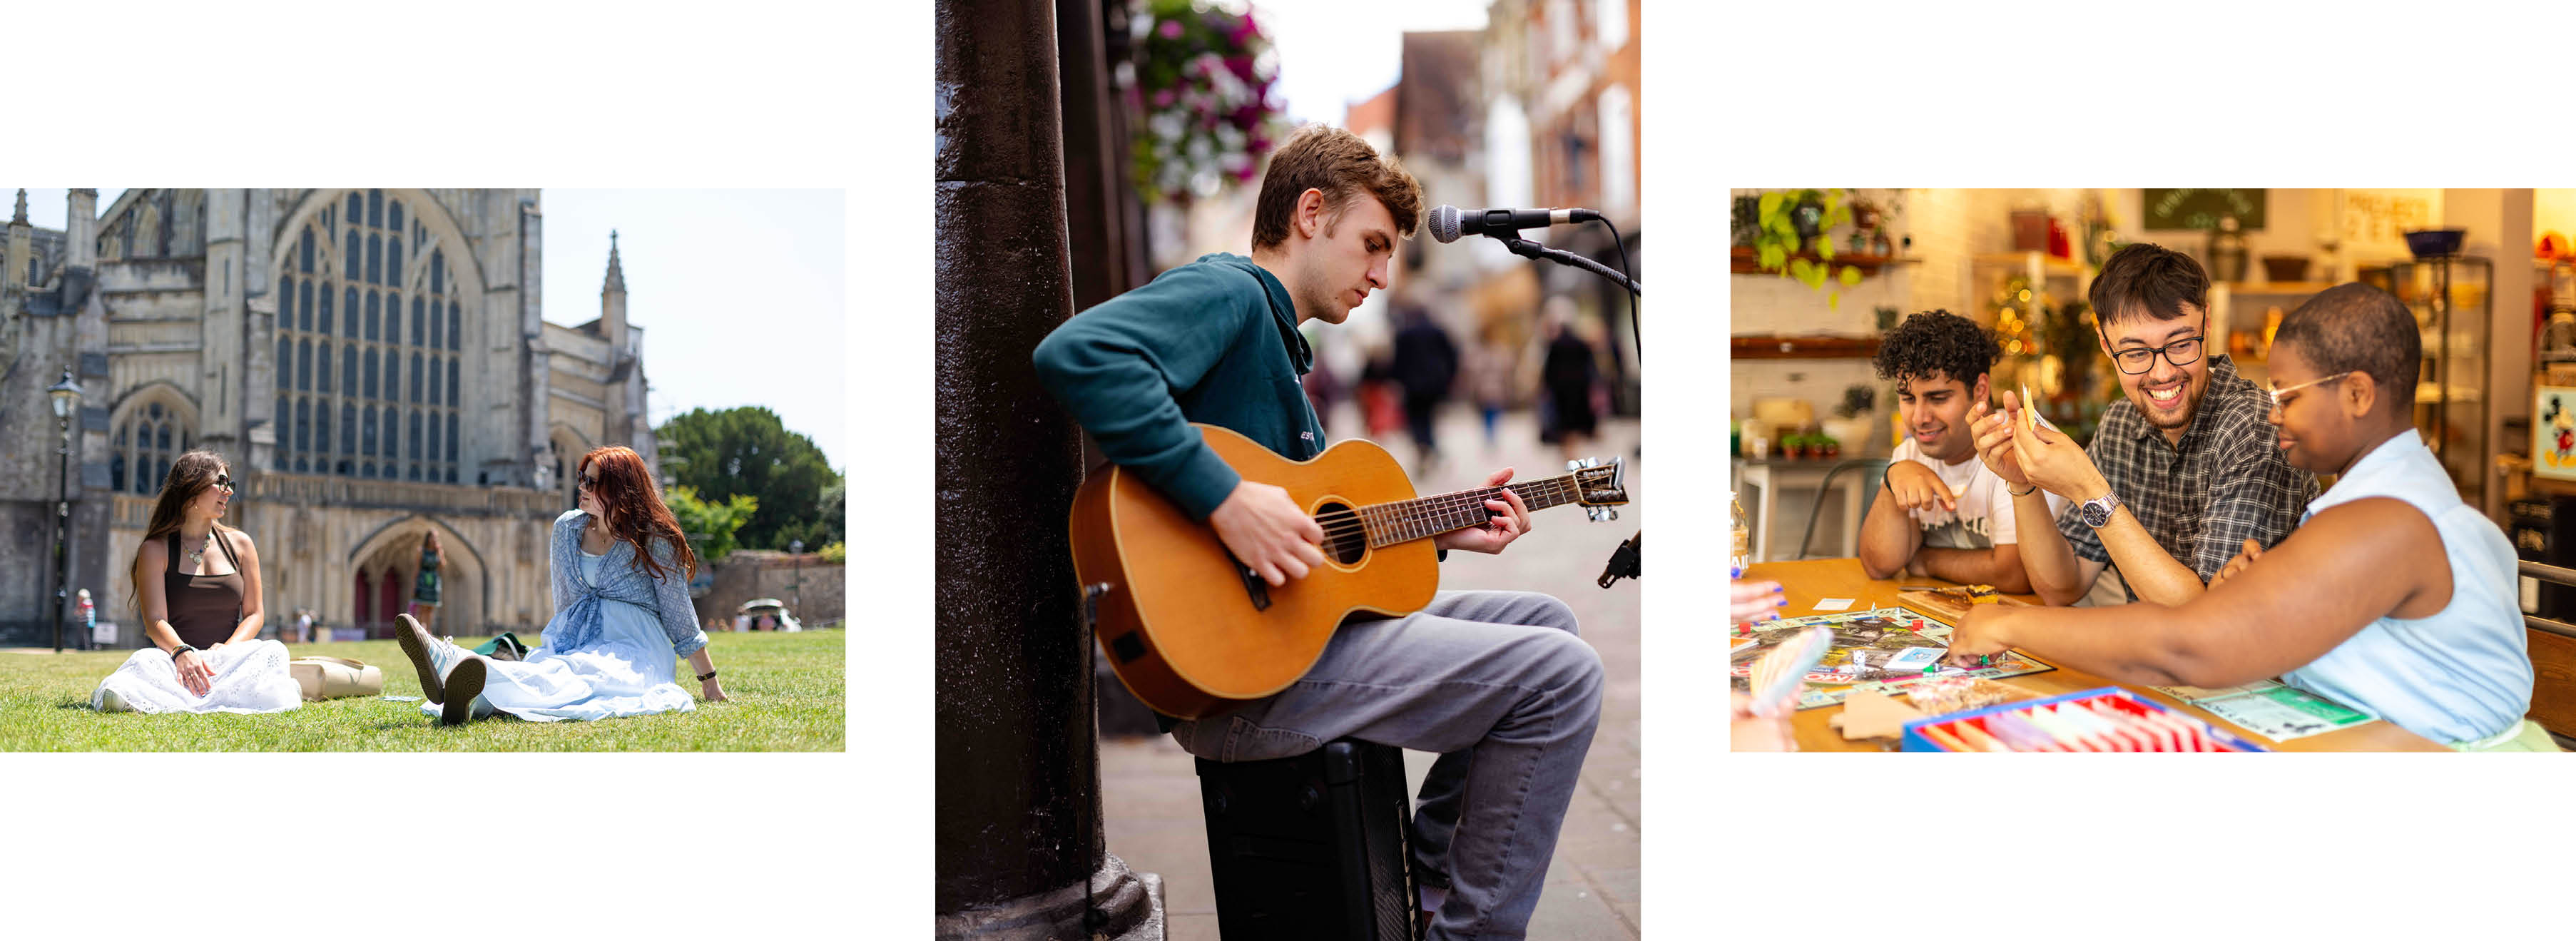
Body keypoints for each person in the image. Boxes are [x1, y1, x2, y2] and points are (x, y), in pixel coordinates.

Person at [1031, 123, 1602, 940]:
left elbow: (1312, 542)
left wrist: (1437, 533)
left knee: (1547, 623)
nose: (1380, 273)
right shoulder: (1229, 292)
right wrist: (1223, 497)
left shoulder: (1278, 346)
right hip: (1237, 679)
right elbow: (1077, 354)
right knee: (1561, 677)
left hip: (1284, 642)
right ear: (1309, 213)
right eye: (1371, 244)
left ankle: (1425, 891)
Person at [1950, 283, 2550, 751]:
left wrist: (2005, 625)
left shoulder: (2389, 519)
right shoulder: (2389, 497)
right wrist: (2260, 595)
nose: (2272, 413)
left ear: (2358, 395)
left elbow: (2191, 647)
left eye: (2287, 396)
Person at [1971, 243, 2315, 606]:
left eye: (2181, 344)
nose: (2163, 373)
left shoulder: (2254, 429)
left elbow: (2209, 618)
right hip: (2149, 655)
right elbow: (2062, 586)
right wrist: (2022, 483)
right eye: (2136, 353)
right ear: (2106, 345)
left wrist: (2089, 490)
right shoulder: (2120, 424)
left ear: (2207, 324)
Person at [394, 446, 730, 726]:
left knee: (587, 678)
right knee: (558, 671)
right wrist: (563, 645)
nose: (581, 486)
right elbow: (567, 604)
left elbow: (680, 617)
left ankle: (451, 662)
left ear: (619, 487)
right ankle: (470, 694)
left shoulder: (653, 538)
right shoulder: (567, 529)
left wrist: (709, 682)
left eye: (591, 481)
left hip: (637, 645)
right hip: (580, 637)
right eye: (580, 478)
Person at [1858, 310, 2067, 592]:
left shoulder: (2022, 447)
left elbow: (2014, 575)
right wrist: (1891, 480)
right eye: (1908, 399)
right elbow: (1879, 566)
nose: (1919, 418)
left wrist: (1924, 561)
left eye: (1938, 398)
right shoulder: (1910, 453)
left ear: (1980, 389)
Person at [91, 451, 301, 714]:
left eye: (230, 485)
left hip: (229, 660)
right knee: (145, 660)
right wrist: (182, 653)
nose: (228, 493)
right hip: (175, 661)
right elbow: (155, 620)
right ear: (192, 488)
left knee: (273, 650)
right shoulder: (156, 549)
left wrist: (226, 651)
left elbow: (255, 614)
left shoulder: (242, 545)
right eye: (221, 484)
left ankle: (209, 694)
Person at [1390, 304, 1460, 473]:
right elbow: (1453, 355)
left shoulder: (1404, 334)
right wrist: (1449, 377)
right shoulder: (1438, 332)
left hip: (1412, 386)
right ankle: (1429, 448)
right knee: (1429, 418)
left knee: (1416, 420)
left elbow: (1397, 361)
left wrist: (1398, 381)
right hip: (1435, 385)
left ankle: (1424, 447)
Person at [1539, 300, 1599, 466]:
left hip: (1561, 394)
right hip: (1579, 392)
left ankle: (1569, 457)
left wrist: (1547, 388)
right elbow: (1590, 369)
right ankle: (1572, 455)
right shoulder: (1581, 344)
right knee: (1574, 428)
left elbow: (1548, 371)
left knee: (1564, 427)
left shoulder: (1555, 345)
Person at [409, 529, 443, 633]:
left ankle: (429, 631)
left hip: (433, 580)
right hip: (423, 580)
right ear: (428, 538)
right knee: (422, 608)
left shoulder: (438, 551)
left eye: (436, 538)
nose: (434, 540)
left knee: (431, 608)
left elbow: (442, 566)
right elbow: (417, 568)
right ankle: (421, 631)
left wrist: (440, 553)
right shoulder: (421, 551)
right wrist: (414, 584)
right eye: (433, 537)